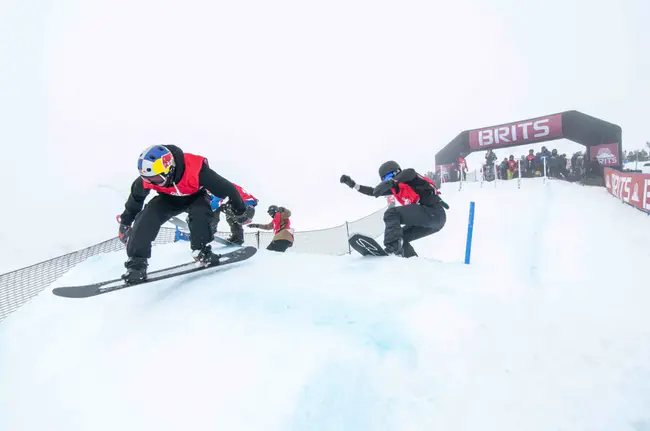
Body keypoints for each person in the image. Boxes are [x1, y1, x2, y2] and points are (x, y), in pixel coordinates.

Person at [117, 144, 247, 283]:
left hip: (195, 196)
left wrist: (239, 209)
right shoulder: (147, 179)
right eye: (148, 179)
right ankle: (136, 264)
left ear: (169, 168)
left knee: (201, 214)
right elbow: (135, 200)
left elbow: (226, 188)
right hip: (167, 199)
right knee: (146, 218)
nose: (153, 183)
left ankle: (201, 251)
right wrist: (125, 222)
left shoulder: (196, 169)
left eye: (156, 180)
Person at [340, 160, 449, 258]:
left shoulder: (410, 178)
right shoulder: (394, 189)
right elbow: (373, 192)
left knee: (391, 213)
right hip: (431, 223)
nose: (390, 180)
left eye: (392, 176)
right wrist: (353, 185)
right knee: (401, 237)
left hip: (434, 212)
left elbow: (409, 172)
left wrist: (391, 181)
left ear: (398, 172)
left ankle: (392, 248)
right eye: (386, 179)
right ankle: (411, 262)